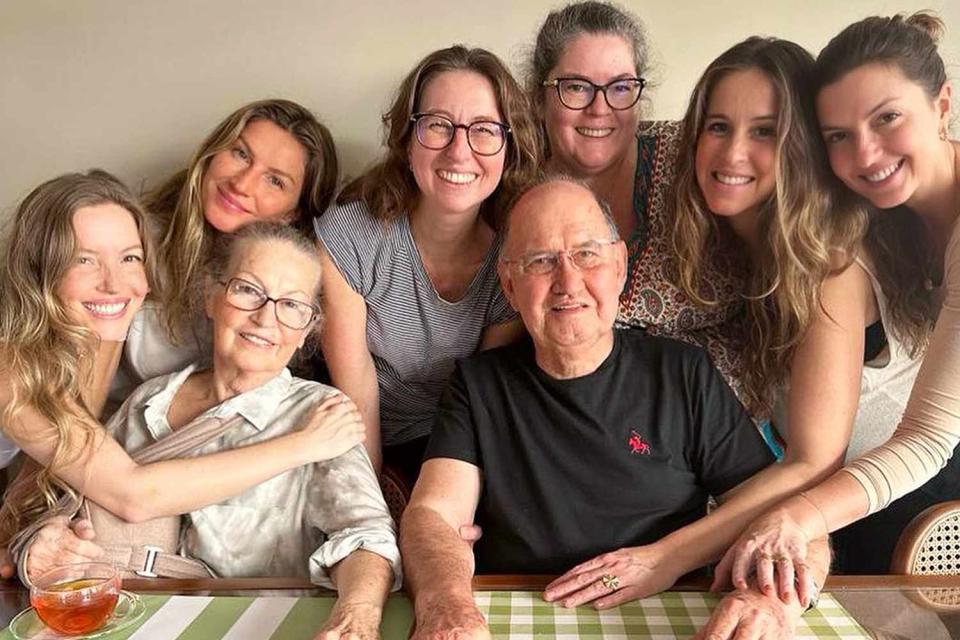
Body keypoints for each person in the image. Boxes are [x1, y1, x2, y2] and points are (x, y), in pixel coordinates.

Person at [400, 175, 829, 640]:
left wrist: (768, 600)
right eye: (541, 261)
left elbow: (791, 517)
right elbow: (433, 516)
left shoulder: (682, 373)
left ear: (619, 266)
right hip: (518, 613)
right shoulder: (477, 384)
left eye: (587, 255)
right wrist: (447, 606)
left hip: (669, 619)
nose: (568, 282)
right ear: (509, 283)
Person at [20, 222, 398, 640]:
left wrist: (357, 613)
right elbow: (64, 509)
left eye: (292, 305)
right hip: (129, 624)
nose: (266, 317)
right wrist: (50, 545)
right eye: (248, 290)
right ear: (210, 296)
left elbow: (366, 537)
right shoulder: (147, 400)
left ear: (308, 329)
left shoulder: (320, 415)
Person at [668, 36, 929, 581]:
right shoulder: (739, 251)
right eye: (718, 126)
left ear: (800, 147)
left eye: (764, 131)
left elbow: (814, 459)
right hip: (824, 512)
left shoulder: (832, 262)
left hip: (911, 522)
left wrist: (664, 558)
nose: (733, 152)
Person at [0, 171, 363, 562]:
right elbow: (132, 495)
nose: (114, 283)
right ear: (40, 269)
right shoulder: (9, 370)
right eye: (83, 260)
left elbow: (45, 471)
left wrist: (20, 538)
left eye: (129, 258)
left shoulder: (103, 332)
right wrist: (304, 445)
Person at [718, 11, 960, 591]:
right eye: (839, 137)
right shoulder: (883, 218)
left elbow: (929, 437)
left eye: (888, 118)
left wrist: (795, 515)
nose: (867, 153)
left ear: (943, 104)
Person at [315, 45, 540, 481]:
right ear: (406, 139)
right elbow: (355, 395)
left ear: (509, 147)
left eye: (484, 130)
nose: (459, 152)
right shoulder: (351, 236)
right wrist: (374, 509)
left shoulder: (515, 256)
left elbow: (480, 402)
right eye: (438, 126)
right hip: (358, 432)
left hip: (454, 440)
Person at [528, 1, 750, 405]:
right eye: (576, 86)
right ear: (541, 95)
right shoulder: (516, 192)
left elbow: (784, 228)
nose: (600, 108)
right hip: (585, 427)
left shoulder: (692, 158)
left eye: (620, 88)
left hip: (725, 422)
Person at [112, 98, 339, 404]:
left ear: (293, 214)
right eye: (241, 153)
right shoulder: (131, 239)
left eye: (274, 180)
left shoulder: (298, 292)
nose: (242, 184)